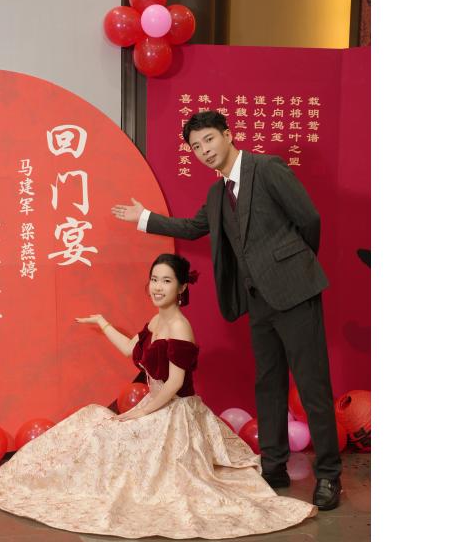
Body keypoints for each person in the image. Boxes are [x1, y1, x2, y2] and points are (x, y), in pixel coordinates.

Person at [0, 253, 317, 539]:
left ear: (182, 288)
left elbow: (174, 383)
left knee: (112, 433)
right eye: (154, 279)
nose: (157, 287)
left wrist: (140, 413)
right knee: (91, 419)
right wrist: (103, 323)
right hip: (154, 405)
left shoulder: (180, 327)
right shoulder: (155, 321)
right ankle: (57, 481)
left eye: (166, 281)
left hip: (174, 412)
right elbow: (132, 349)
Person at [112, 111, 342, 510]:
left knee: (312, 386)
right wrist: (144, 218)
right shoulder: (217, 195)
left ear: (228, 135)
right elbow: (192, 227)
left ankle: (328, 475)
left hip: (295, 291)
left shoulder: (266, 168)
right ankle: (274, 468)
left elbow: (309, 218)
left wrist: (295, 266)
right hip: (258, 301)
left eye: (208, 140)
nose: (204, 150)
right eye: (196, 147)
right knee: (268, 384)